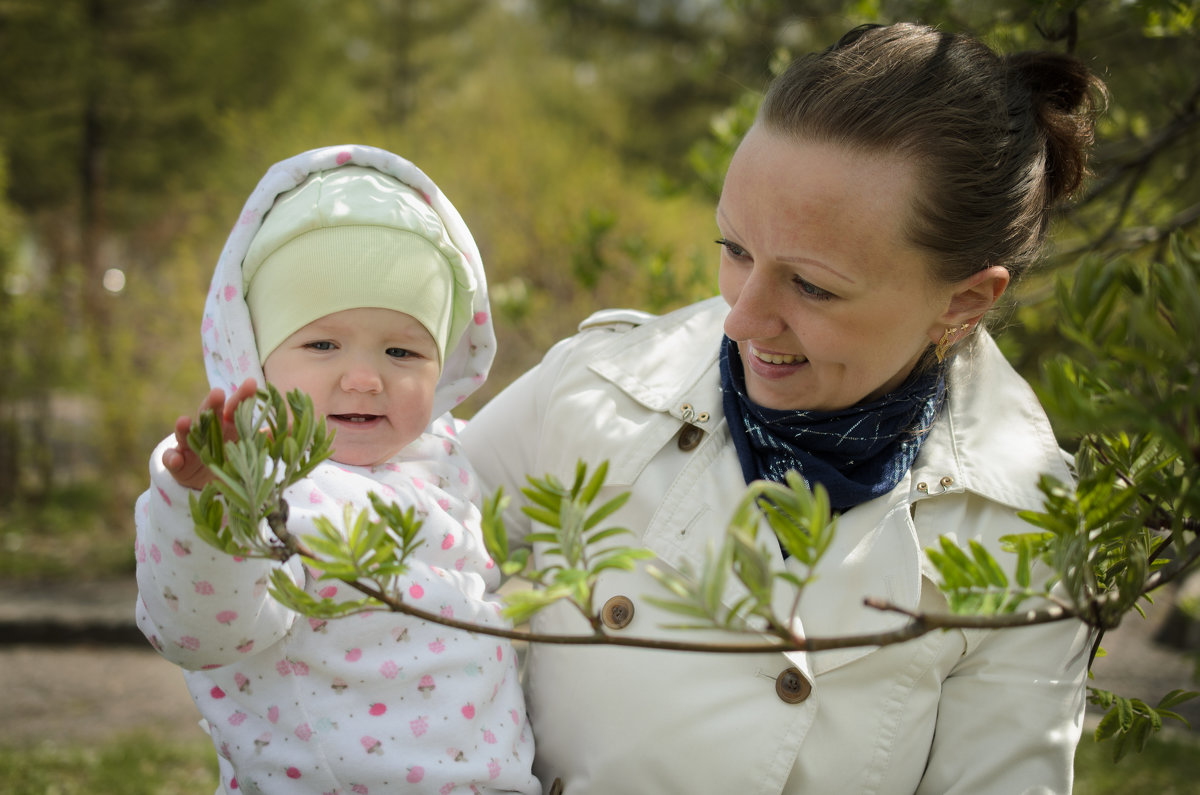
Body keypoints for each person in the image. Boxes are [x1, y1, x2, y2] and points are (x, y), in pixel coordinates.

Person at [460, 23, 1106, 794]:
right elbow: (375, 582)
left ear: (964, 301)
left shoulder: (1029, 529)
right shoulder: (593, 391)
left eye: (813, 286)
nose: (740, 318)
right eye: (735, 249)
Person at [134, 145, 538, 795]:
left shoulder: (455, 461)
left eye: (402, 349)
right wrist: (205, 506)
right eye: (322, 344)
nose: (362, 377)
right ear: (257, 354)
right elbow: (201, 631)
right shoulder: (263, 482)